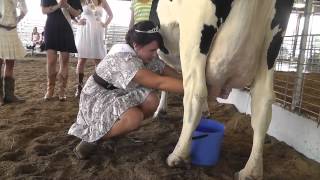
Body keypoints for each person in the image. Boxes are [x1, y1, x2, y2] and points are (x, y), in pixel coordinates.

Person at [68, 21, 183, 159]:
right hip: (97, 97)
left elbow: (166, 70)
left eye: (156, 50)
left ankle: (115, 134)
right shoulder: (125, 59)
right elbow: (159, 82)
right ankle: (93, 138)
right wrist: (196, 90)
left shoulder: (141, 53)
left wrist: (196, 82)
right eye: (152, 50)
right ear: (136, 45)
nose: (154, 55)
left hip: (116, 94)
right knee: (134, 118)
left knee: (152, 100)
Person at [41, 0, 82, 101]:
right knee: (51, 61)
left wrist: (67, 6)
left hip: (66, 29)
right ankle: (50, 89)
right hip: (51, 28)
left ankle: (62, 90)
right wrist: (58, 5)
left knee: (64, 60)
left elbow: (77, 13)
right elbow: (43, 10)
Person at [74, 0, 113, 98]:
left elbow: (111, 15)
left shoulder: (102, 1)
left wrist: (105, 24)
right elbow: (72, 12)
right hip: (85, 30)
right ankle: (79, 87)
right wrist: (77, 21)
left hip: (97, 31)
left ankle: (98, 86)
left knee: (98, 60)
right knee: (82, 59)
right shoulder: (83, 1)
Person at [0, 0, 28, 106]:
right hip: (0, 28)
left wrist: (18, 19)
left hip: (12, 29)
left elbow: (24, 9)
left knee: (10, 63)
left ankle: (9, 95)